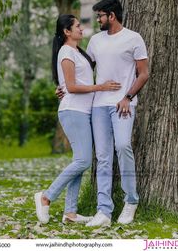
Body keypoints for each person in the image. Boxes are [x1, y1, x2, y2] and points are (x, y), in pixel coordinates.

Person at [35, 14, 121, 224]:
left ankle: (70, 213)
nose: (81, 28)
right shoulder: (66, 52)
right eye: (77, 26)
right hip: (73, 111)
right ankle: (46, 196)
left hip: (84, 112)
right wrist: (100, 87)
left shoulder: (77, 52)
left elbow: (68, 84)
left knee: (80, 161)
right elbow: (72, 87)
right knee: (83, 160)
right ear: (66, 31)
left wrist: (64, 87)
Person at [84, 0, 149, 227]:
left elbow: (143, 73)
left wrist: (127, 96)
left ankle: (131, 201)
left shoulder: (134, 38)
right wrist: (66, 87)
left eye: (100, 15)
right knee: (102, 157)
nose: (98, 19)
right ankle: (103, 211)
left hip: (123, 104)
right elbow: (84, 70)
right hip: (99, 105)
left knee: (122, 146)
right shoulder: (95, 41)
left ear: (111, 16)